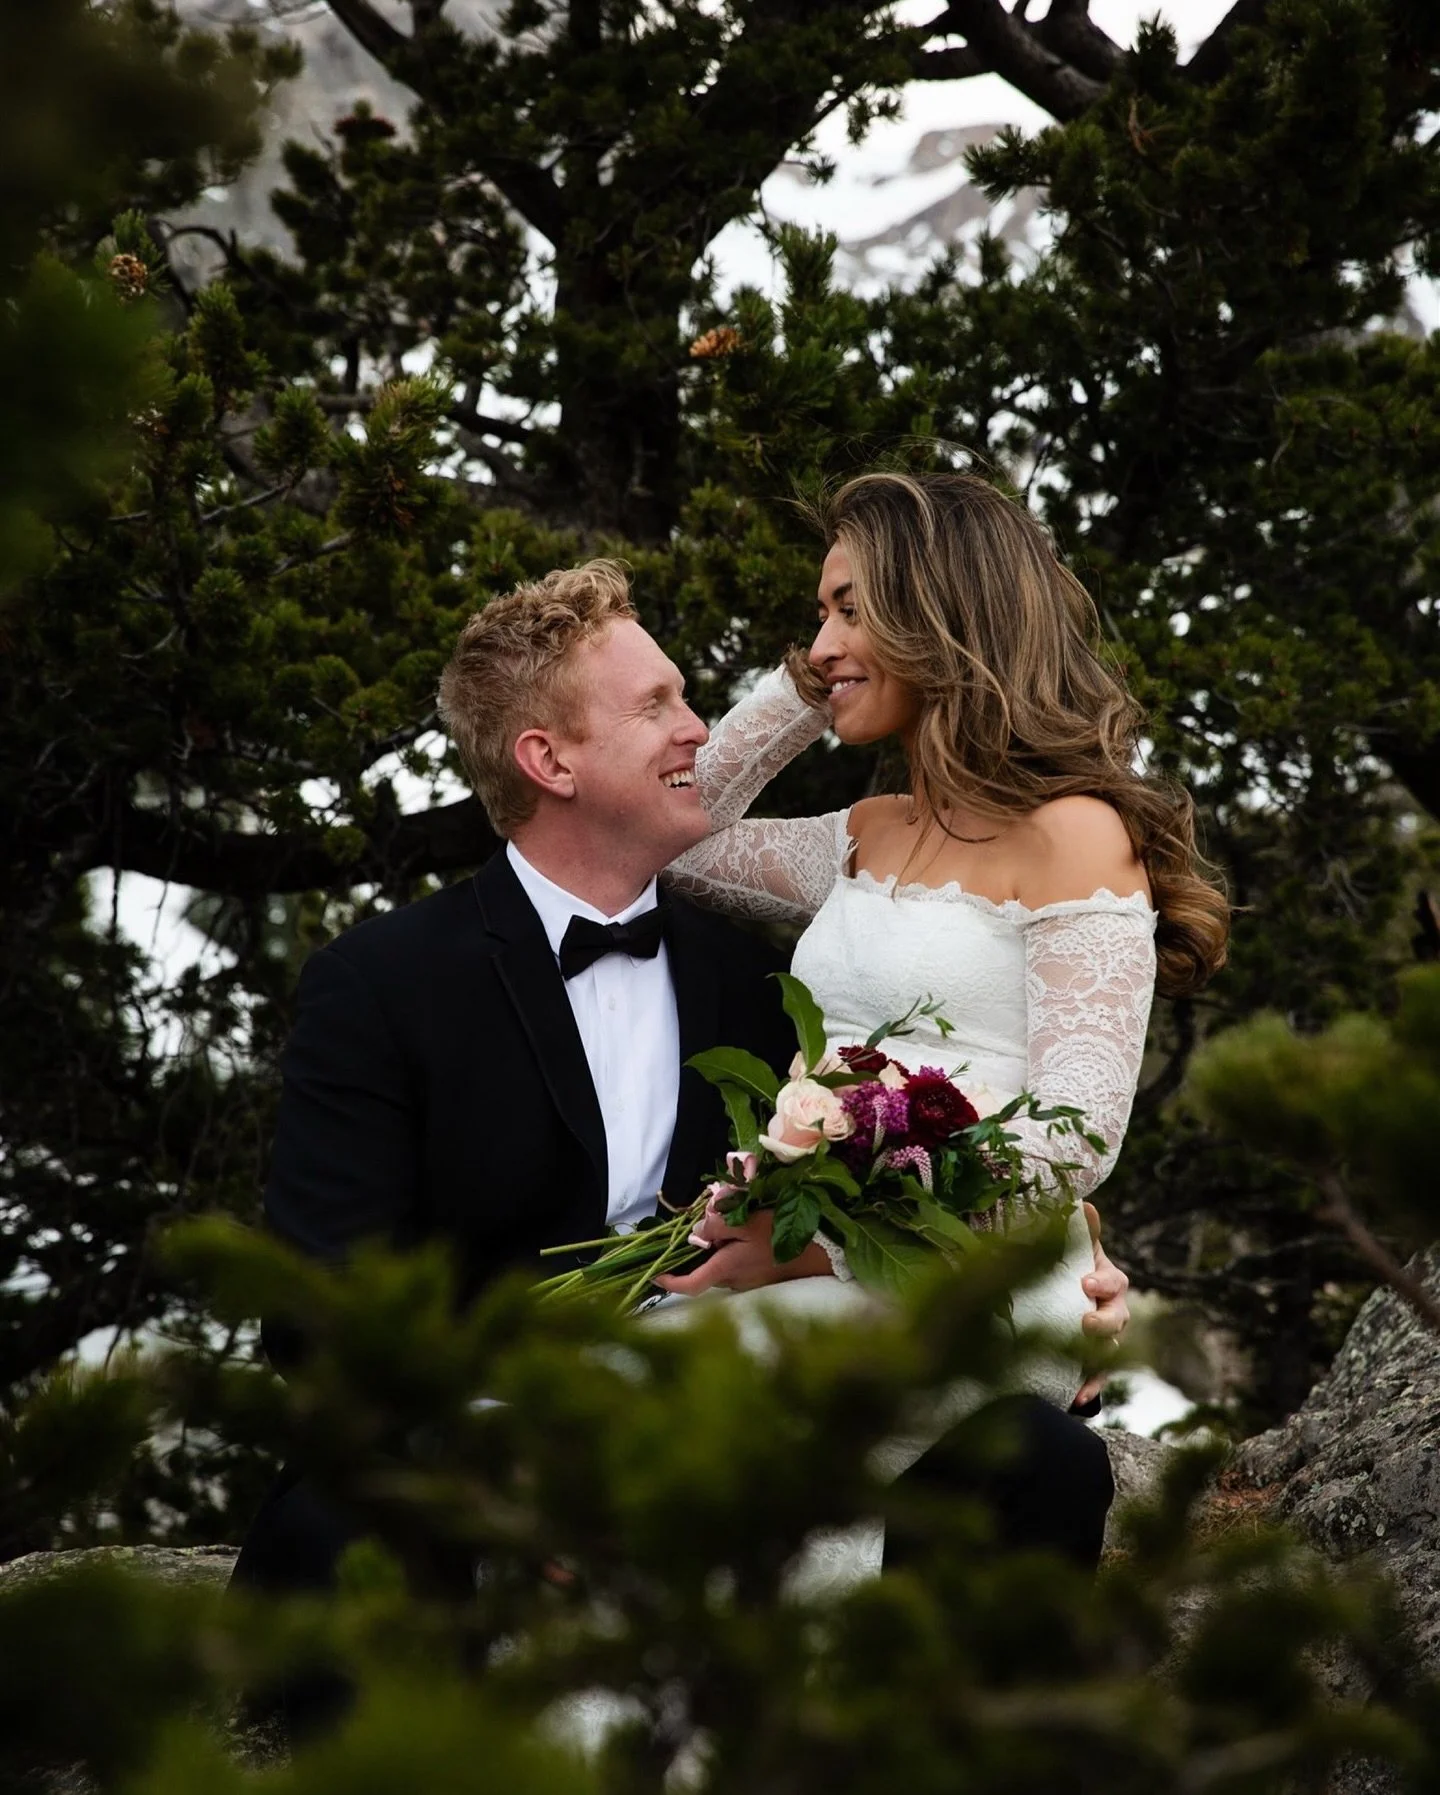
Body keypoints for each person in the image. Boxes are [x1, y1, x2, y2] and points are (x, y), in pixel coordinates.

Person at [231, 555, 1133, 1705]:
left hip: (741, 1410)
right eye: (657, 704)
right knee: (342, 1532)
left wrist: (1071, 1262)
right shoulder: (384, 981)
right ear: (546, 761)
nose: (697, 728)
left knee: (1045, 1461)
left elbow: (923, 1125)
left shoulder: (759, 978)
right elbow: (320, 1316)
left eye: (688, 697)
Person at [657, 469, 1231, 1573]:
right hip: (826, 1256)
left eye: (850, 608)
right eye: (820, 613)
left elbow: (1075, 1135)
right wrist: (799, 682)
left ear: (944, 615)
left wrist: (814, 1241)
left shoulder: (1075, 835)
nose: (822, 640)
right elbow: (676, 835)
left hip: (980, 1279)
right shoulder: (864, 833)